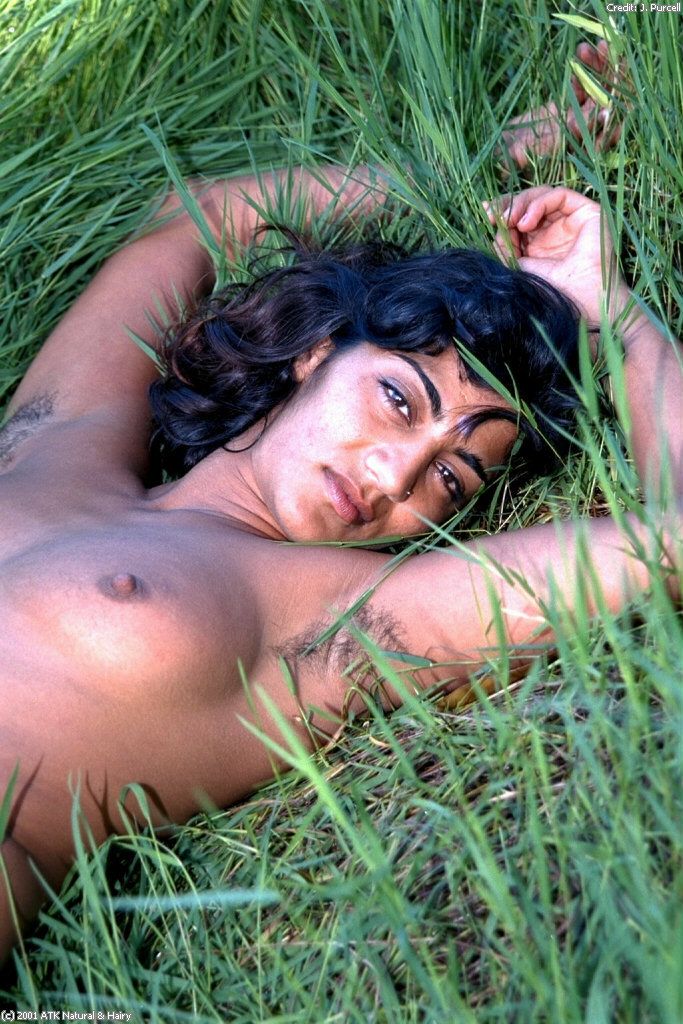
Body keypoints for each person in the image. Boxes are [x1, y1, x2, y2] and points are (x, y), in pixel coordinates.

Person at [1, 44, 679, 964]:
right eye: (397, 399)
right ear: (316, 354)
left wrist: (613, 310)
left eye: (449, 479)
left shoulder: (337, 620)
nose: (396, 477)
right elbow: (192, 218)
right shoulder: (60, 451)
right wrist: (492, 158)